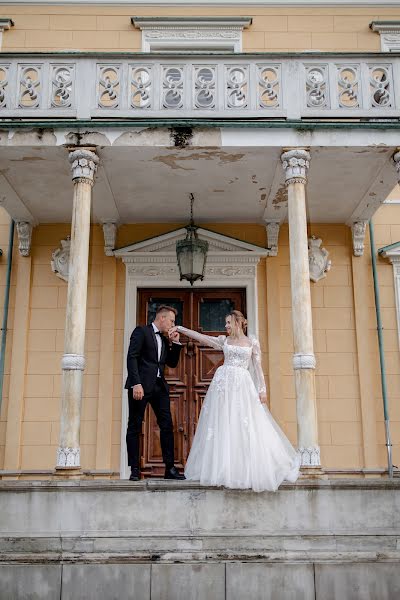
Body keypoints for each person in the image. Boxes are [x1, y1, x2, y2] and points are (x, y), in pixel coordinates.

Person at [173, 310, 300, 492]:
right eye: (225, 323)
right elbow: (201, 338)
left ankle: (245, 471)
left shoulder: (252, 343)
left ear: (238, 323)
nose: (226, 326)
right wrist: (181, 329)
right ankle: (223, 470)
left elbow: (258, 368)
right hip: (223, 387)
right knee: (224, 424)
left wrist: (262, 390)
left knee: (245, 425)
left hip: (242, 386)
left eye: (228, 322)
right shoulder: (224, 341)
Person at [125, 305, 185, 481]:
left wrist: (175, 342)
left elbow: (172, 363)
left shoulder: (166, 339)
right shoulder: (141, 332)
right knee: (134, 426)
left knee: (167, 425)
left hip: (159, 387)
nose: (173, 324)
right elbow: (132, 357)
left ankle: (170, 469)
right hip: (141, 387)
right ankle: (135, 470)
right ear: (162, 318)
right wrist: (136, 383)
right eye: (172, 321)